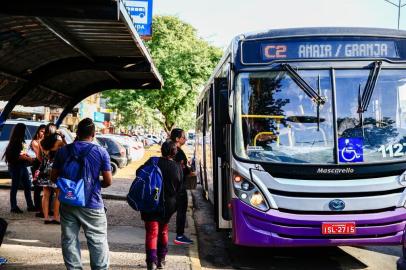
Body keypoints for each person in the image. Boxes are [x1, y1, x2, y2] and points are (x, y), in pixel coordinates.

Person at [51, 118, 112, 270]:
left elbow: (53, 177)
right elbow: (108, 181)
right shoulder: (101, 152)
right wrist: (96, 184)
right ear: (93, 133)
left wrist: (70, 186)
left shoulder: (63, 151)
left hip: (68, 201)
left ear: (77, 132)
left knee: (69, 239)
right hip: (92, 202)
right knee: (97, 240)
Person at [138, 140, 182, 270]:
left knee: (152, 232)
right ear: (174, 153)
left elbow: (138, 174)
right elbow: (179, 188)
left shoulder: (152, 161)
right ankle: (161, 261)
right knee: (163, 231)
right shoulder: (177, 167)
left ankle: (151, 262)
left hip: (151, 202)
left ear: (162, 150)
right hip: (168, 206)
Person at [3, 123, 36, 213]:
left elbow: (22, 153)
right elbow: (16, 155)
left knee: (27, 185)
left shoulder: (22, 141)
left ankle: (30, 205)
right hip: (16, 167)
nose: (25, 131)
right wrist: (27, 158)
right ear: (20, 131)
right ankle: (14, 207)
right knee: (15, 186)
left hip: (22, 166)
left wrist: (27, 156)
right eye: (24, 129)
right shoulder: (15, 141)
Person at [170, 128, 194, 245]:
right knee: (181, 211)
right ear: (177, 139)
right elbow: (181, 169)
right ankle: (179, 235)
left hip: (172, 185)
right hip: (179, 187)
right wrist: (190, 172)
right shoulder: (177, 152)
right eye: (183, 137)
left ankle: (162, 230)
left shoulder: (169, 148)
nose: (185, 139)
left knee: (171, 209)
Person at [39, 123, 65, 224]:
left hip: (45, 169)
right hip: (56, 170)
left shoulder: (41, 142)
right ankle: (55, 217)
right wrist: (62, 137)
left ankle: (46, 217)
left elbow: (40, 157)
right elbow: (68, 148)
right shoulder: (58, 142)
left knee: (46, 194)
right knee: (58, 194)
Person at [30, 124, 46, 215]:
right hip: (38, 165)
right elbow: (40, 156)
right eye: (41, 131)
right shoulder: (35, 142)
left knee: (46, 187)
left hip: (45, 165)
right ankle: (37, 206)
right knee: (37, 187)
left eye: (45, 131)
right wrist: (41, 142)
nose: (43, 133)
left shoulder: (46, 142)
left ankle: (44, 207)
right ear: (38, 132)